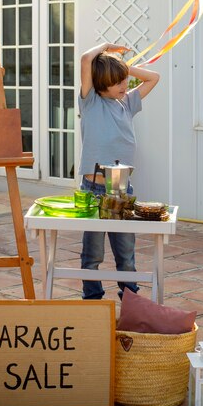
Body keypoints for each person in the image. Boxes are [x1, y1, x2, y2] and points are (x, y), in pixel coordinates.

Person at [78, 42, 160, 299]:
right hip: (93, 189)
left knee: (125, 251)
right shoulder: (90, 102)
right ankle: (92, 297)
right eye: (118, 83)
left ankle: (130, 295)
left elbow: (153, 77)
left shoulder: (127, 103)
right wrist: (105, 48)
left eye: (125, 80)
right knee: (93, 253)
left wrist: (124, 68)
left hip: (122, 189)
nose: (125, 86)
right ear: (101, 84)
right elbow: (85, 59)